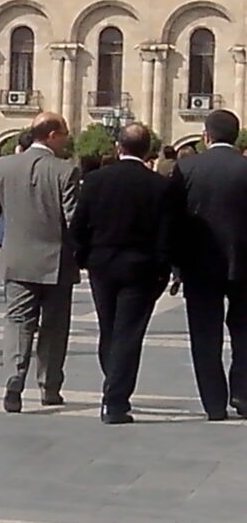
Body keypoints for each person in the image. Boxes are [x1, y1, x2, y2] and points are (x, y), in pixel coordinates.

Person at [0, 112, 80, 414]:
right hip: (57, 263)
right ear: (52, 135)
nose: (68, 137)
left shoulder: (4, 166)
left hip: (17, 261)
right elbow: (73, 220)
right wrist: (86, 253)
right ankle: (49, 387)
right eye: (65, 132)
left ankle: (14, 381)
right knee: (54, 329)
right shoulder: (65, 171)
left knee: (18, 323)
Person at [72, 123, 173, 424]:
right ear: (148, 152)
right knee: (129, 332)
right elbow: (167, 235)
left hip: (102, 266)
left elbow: (78, 227)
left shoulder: (95, 181)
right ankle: (115, 400)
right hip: (141, 268)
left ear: (119, 147)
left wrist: (84, 257)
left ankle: (112, 381)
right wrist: (164, 268)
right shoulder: (160, 186)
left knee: (109, 328)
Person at [170, 110, 247, 421]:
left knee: (204, 335)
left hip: (199, 266)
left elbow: (173, 220)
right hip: (244, 266)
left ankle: (214, 403)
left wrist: (175, 266)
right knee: (245, 332)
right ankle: (242, 393)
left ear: (207, 136)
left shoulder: (187, 167)